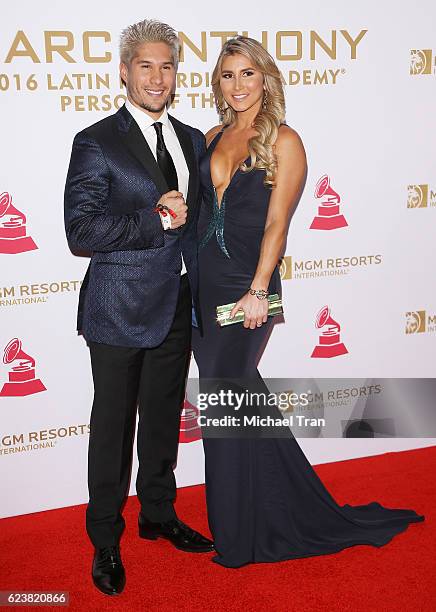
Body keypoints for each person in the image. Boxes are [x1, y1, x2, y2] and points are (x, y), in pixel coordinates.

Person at [191, 36, 425, 568]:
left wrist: (258, 289)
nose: (238, 85)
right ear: (218, 84)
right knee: (240, 406)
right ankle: (276, 507)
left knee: (222, 409)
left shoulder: (285, 141)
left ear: (266, 78)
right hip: (203, 288)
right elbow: (202, 214)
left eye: (248, 73)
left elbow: (279, 223)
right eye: (227, 75)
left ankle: (237, 539)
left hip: (248, 286)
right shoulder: (210, 136)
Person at [64, 19, 213, 596]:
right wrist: (154, 219)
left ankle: (158, 513)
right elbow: (81, 229)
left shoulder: (194, 138)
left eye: (167, 66)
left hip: (176, 302)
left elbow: (201, 222)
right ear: (124, 71)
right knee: (112, 426)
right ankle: (105, 538)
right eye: (145, 65)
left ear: (177, 74)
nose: (157, 77)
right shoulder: (97, 140)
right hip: (119, 307)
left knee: (161, 419)